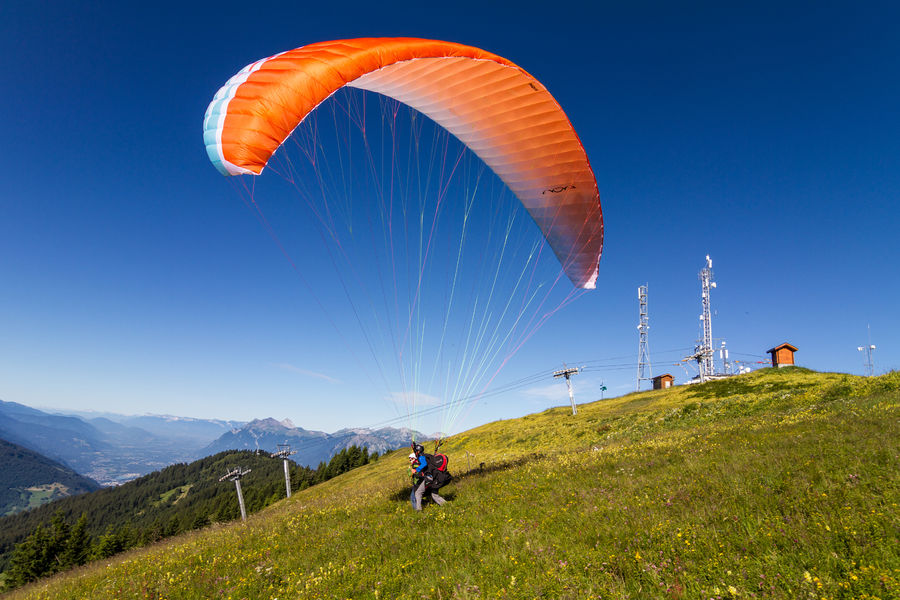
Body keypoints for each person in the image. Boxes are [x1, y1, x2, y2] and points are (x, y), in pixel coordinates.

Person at [410, 444, 447, 511]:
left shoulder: (421, 457)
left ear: (417, 451)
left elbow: (424, 464)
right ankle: (447, 506)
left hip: (429, 478)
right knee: (434, 495)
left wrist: (416, 469)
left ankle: (419, 510)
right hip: (436, 477)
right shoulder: (427, 456)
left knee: (418, 493)